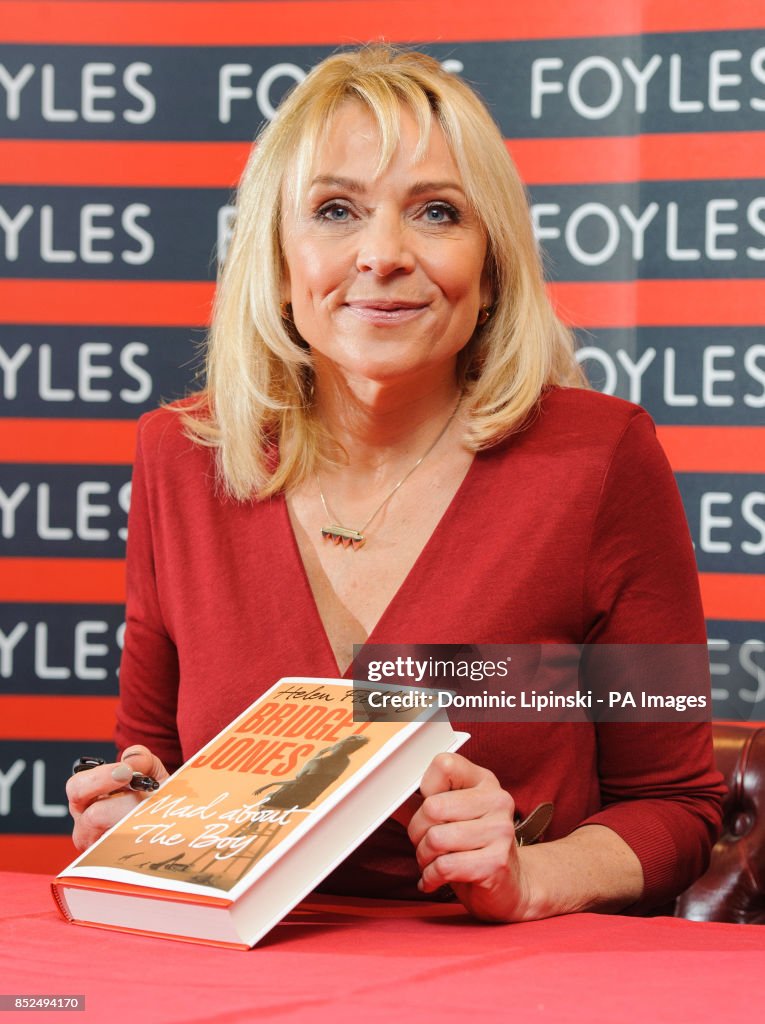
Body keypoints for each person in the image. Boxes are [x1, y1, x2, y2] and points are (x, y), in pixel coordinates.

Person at [67, 45, 724, 923]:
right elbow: (147, 764)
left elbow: (676, 806)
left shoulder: (600, 458)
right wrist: (130, 815)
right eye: (335, 210)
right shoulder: (181, 459)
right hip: (237, 976)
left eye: (436, 212)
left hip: (507, 986)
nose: (382, 254)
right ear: (276, 257)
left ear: (489, 267)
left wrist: (530, 879)